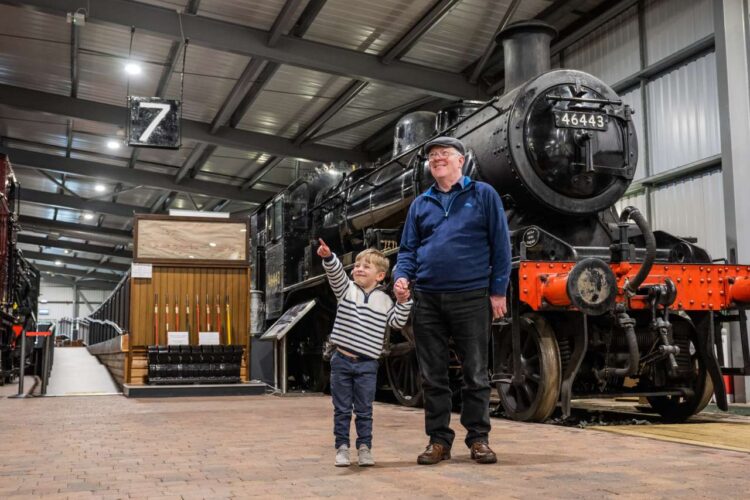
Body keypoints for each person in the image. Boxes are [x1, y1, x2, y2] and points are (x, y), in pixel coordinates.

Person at [393, 136, 511, 465]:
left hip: (470, 295)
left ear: (462, 161)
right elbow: (407, 251)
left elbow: (501, 245)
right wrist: (401, 278)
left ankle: (478, 439)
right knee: (432, 375)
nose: (437, 159)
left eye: (445, 154)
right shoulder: (421, 204)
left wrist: (498, 290)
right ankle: (439, 440)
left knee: (475, 372)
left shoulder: (483, 195)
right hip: (427, 298)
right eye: (432, 156)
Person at [317, 238, 413, 467]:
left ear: (380, 276)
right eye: (357, 265)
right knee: (341, 409)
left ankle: (364, 448)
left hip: (368, 364)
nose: (358, 269)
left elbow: (398, 322)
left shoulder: (385, 300)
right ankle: (342, 448)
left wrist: (403, 301)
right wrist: (329, 257)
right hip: (341, 359)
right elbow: (336, 275)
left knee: (364, 410)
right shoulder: (346, 290)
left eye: (366, 266)